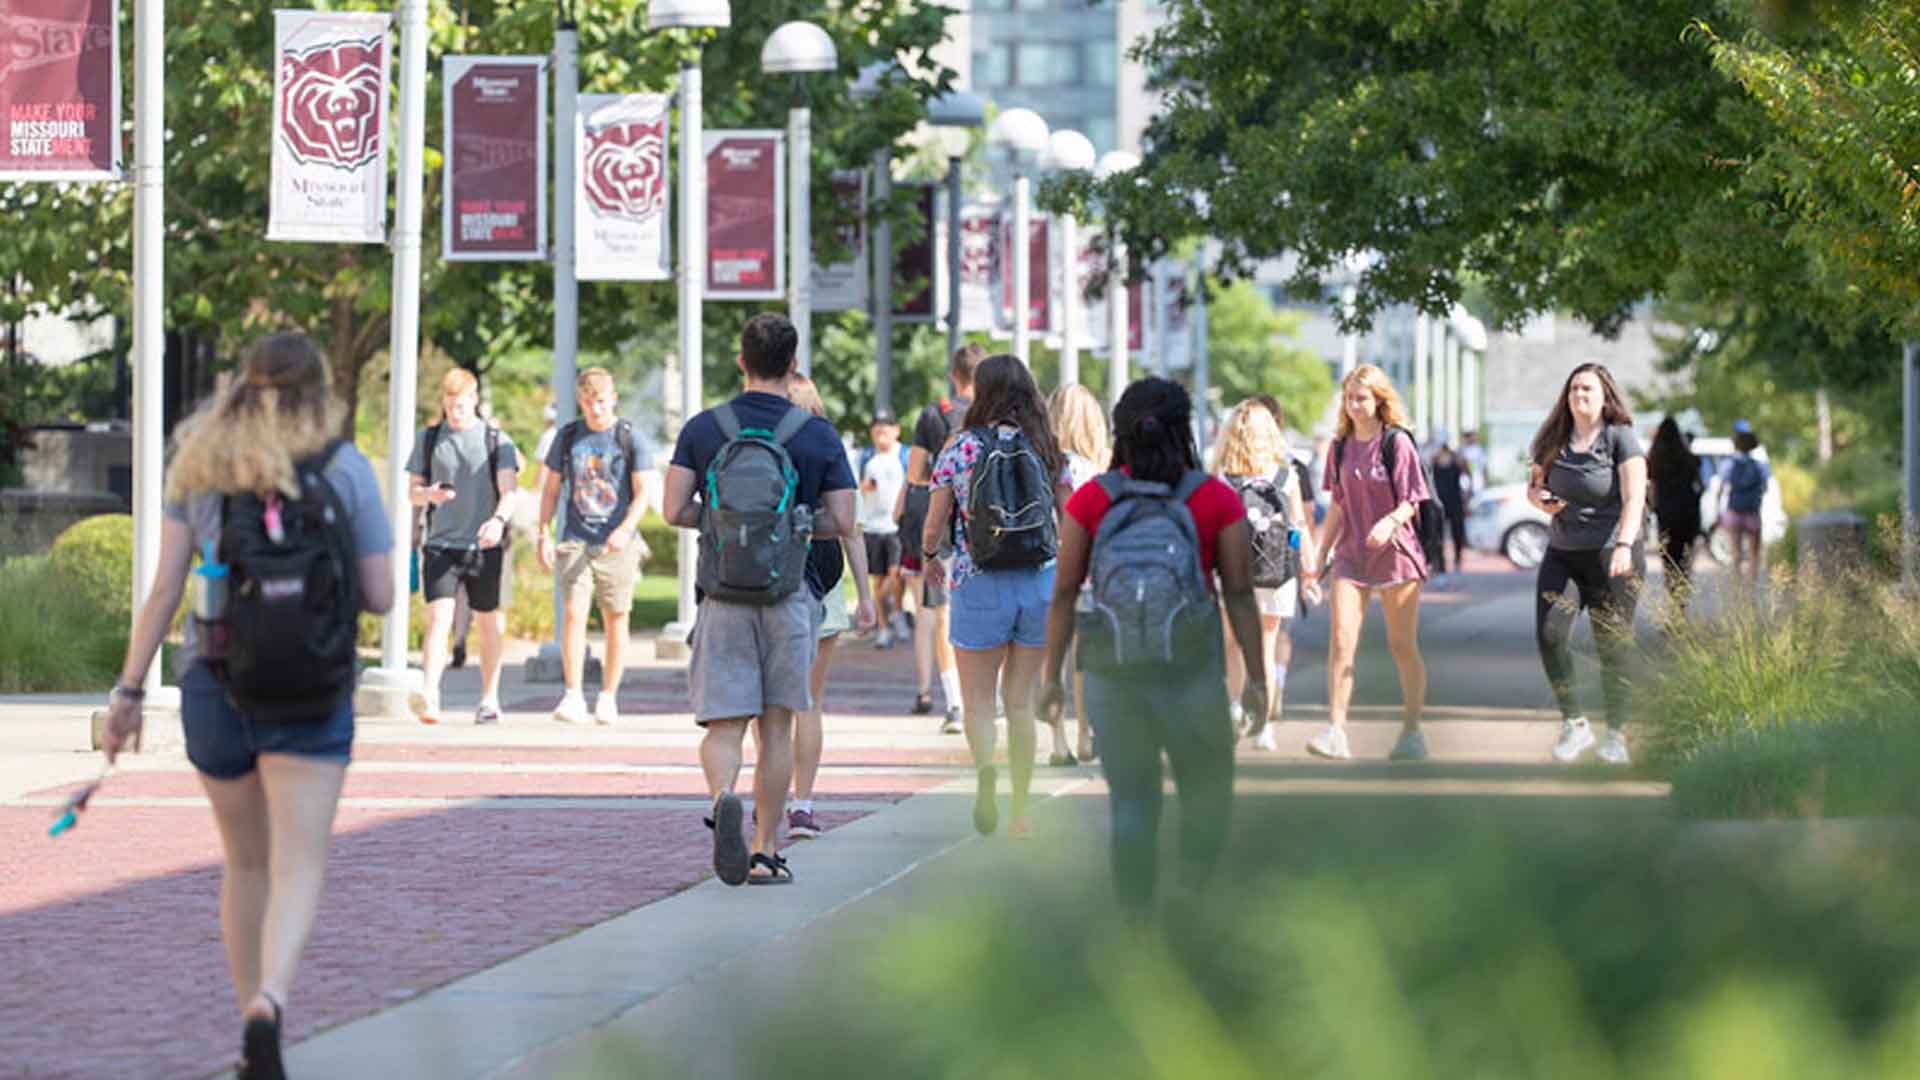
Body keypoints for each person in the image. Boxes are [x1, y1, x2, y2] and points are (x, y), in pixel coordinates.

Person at [101, 334, 394, 1079]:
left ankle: (246, 1034)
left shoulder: (201, 466)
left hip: (216, 683)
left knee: (246, 863)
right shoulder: (344, 466)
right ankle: (271, 999)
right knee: (300, 861)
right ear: (319, 391)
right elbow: (384, 595)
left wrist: (130, 691)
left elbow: (165, 590)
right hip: (313, 689)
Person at [1040, 377, 1267, 915]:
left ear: (1120, 431)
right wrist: (1258, 679)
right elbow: (1237, 593)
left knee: (1133, 803)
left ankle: (1136, 924)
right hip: (1191, 670)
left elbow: (1065, 593)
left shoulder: (1093, 500)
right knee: (1206, 795)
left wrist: (1051, 679)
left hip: (1113, 674)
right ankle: (1193, 898)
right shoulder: (1215, 499)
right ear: (1184, 429)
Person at [661, 313, 858, 885]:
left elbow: (673, 510)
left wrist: (724, 526)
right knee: (776, 727)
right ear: (793, 363)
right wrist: (788, 528)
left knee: (723, 725)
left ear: (741, 360)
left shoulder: (704, 428)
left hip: (722, 595)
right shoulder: (816, 433)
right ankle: (766, 847)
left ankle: (724, 793)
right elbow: (842, 519)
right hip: (788, 596)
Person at [924, 354, 1074, 838]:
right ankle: (1021, 809)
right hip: (1037, 582)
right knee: (1021, 703)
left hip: (978, 580)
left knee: (978, 702)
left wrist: (930, 556)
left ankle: (987, 772)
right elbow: (1069, 522)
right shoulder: (1048, 447)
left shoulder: (960, 448)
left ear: (980, 392)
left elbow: (934, 523)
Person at [1309, 364, 1432, 761]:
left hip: (1396, 554)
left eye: (1362, 398)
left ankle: (1412, 731)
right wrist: (1319, 553)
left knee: (1401, 646)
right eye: (1349, 398)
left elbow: (1412, 500)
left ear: (1379, 400)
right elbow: (1338, 507)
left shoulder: (1396, 443)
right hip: (1350, 555)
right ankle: (1335, 730)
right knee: (1342, 641)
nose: (1354, 405)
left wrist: (1390, 521)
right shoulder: (1340, 447)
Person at [1528, 363, 1647, 765]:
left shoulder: (1620, 438)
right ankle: (1574, 724)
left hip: (1611, 554)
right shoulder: (1553, 440)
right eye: (1574, 389)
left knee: (1612, 646)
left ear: (1604, 396)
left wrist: (1625, 545)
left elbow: (1634, 498)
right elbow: (1535, 487)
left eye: (1588, 390)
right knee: (1549, 633)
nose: (1580, 396)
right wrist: (1540, 501)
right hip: (1563, 552)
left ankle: (1616, 734)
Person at [786, 374, 876, 839]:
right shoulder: (828, 449)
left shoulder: (760, 444)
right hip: (823, 586)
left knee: (772, 701)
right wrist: (865, 595)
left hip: (766, 584)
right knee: (810, 702)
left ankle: (770, 791)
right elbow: (851, 528)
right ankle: (802, 803)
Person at [537, 368, 652, 726]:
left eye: (601, 401)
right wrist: (543, 533)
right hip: (576, 537)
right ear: (580, 402)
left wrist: (625, 529)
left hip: (616, 542)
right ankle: (573, 694)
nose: (595, 409)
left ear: (613, 398)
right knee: (573, 613)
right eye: (588, 402)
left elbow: (643, 492)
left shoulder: (629, 437)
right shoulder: (569, 436)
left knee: (616, 616)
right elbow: (552, 489)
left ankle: (608, 695)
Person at [406, 371, 521, 724]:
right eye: (449, 405)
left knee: (487, 621)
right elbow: (413, 492)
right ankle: (430, 694)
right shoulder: (428, 440)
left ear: (474, 401)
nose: (455, 412)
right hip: (440, 543)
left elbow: (510, 492)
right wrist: (429, 495)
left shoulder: (495, 441)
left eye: (461, 405)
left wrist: (498, 521)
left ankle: (489, 699)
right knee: (438, 617)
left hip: (484, 544)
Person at [1213, 401, 1321, 750]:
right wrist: (1307, 569)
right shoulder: (1286, 476)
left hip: (1233, 573)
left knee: (1232, 645)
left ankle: (1232, 710)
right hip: (1277, 573)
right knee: (1268, 647)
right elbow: (1298, 526)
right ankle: (1264, 727)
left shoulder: (1223, 477)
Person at [900, 344, 979, 732]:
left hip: (946, 527)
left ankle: (955, 703)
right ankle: (991, 697)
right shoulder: (1000, 417)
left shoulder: (935, 415)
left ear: (955, 376)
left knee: (943, 613)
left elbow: (915, 473)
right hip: (989, 530)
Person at [1045, 382, 1109, 764]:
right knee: (1085, 658)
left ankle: (1057, 740)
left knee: (1052, 657)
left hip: (1050, 566)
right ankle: (1087, 732)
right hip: (1089, 569)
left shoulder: (1049, 463)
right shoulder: (1097, 468)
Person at [859, 408, 907, 649]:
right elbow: (857, 487)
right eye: (877, 430)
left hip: (895, 526)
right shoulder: (868, 459)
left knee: (896, 573)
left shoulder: (904, 456)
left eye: (885, 429)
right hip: (873, 526)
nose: (881, 434)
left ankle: (895, 613)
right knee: (878, 579)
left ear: (895, 431)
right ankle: (884, 626)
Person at [1647, 416, 1703, 612]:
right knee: (1685, 562)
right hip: (1688, 516)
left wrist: (1652, 509)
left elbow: (1651, 489)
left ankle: (1673, 605)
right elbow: (1699, 487)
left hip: (1666, 516)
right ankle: (1681, 606)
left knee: (1669, 562)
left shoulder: (1654, 459)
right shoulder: (1690, 459)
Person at [1717, 422, 1770, 587]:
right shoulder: (1760, 465)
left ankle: (1736, 588)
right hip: (1752, 512)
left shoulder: (1728, 463)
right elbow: (1765, 488)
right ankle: (1750, 587)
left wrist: (1718, 510)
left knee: (1736, 553)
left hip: (1734, 511)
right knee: (1754, 554)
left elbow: (1721, 488)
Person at [1428, 441, 1471, 585]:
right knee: (1437, 536)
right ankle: (1440, 568)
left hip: (1456, 502)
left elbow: (1467, 479)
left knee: (1457, 533)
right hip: (1439, 503)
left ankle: (1458, 560)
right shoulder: (1433, 461)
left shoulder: (1458, 461)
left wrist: (1467, 498)